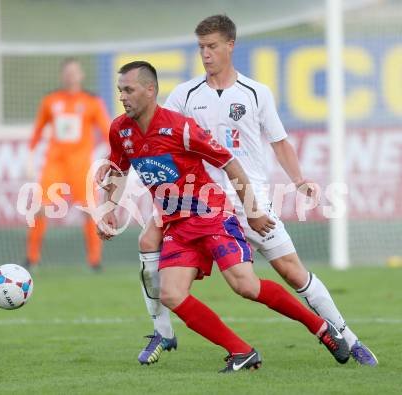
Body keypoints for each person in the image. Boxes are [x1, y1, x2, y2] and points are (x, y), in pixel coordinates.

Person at [135, 15, 378, 366]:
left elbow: (279, 143)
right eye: (201, 47)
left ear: (230, 46)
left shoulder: (255, 93)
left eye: (212, 47)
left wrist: (299, 180)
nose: (205, 54)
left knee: (292, 272)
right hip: (198, 201)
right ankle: (162, 331)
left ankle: (348, 337)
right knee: (148, 242)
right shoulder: (184, 95)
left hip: (251, 199)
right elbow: (162, 136)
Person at [97, 60, 350, 373]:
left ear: (150, 91)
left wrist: (254, 210)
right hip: (176, 223)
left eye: (129, 89)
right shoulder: (120, 130)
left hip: (211, 215)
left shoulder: (180, 127)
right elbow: (118, 170)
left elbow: (230, 162)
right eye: (120, 90)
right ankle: (241, 351)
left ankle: (323, 329)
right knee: (172, 294)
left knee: (245, 286)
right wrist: (107, 208)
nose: (122, 96)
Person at [25, 58, 111, 271]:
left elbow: (108, 131)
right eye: (67, 72)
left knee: (89, 211)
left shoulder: (92, 102)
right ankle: (32, 258)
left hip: (81, 166)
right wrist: (29, 157)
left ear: (81, 75)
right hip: (54, 164)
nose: (71, 76)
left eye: (74, 72)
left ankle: (94, 261)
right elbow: (37, 131)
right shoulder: (50, 100)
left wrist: (115, 157)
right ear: (62, 76)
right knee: (40, 208)